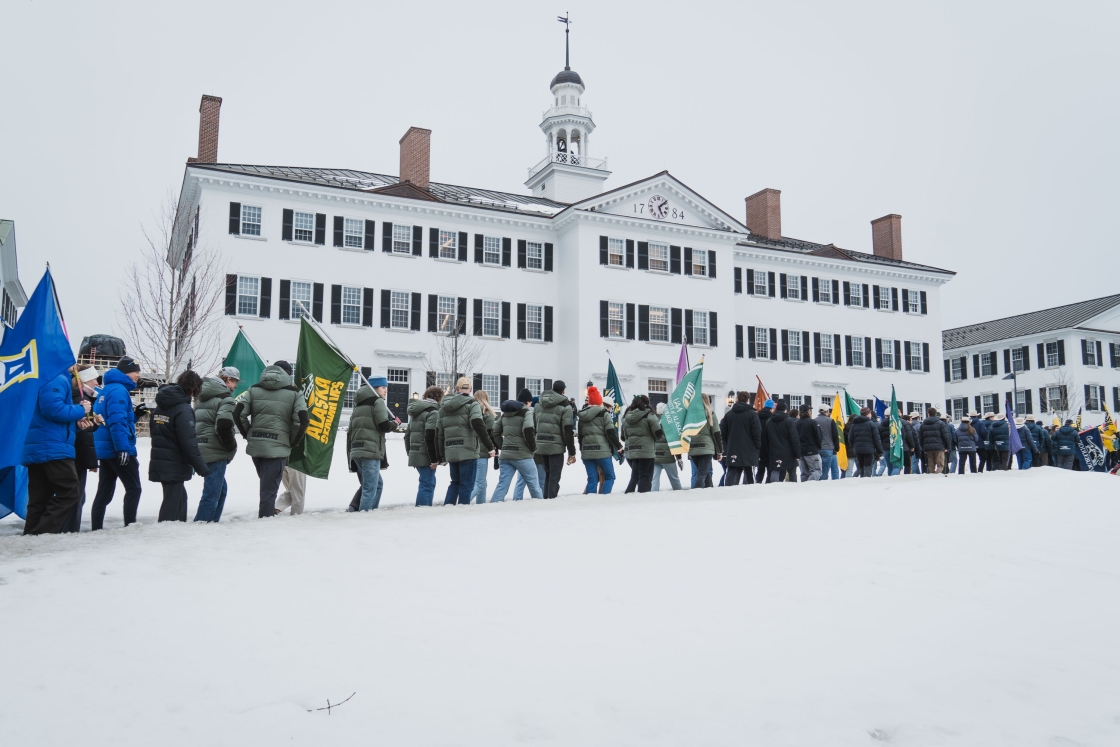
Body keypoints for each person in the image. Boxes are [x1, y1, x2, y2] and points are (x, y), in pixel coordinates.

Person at [21, 368, 92, 535]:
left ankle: (31, 538)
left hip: (40, 444)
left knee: (39, 498)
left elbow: (46, 416)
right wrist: (81, 410)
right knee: (69, 491)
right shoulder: (55, 377)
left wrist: (76, 423)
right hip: (52, 447)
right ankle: (42, 533)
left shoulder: (43, 375)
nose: (75, 365)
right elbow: (53, 409)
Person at [234, 360, 309, 518]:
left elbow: (238, 413)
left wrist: (248, 434)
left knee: (266, 486)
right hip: (278, 448)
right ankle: (265, 524)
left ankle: (266, 518)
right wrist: (292, 441)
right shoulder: (295, 393)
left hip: (257, 446)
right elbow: (302, 420)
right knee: (269, 491)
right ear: (288, 374)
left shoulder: (254, 389)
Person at [150, 370, 211, 522]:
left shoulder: (161, 405)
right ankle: (166, 535)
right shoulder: (183, 409)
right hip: (174, 462)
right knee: (172, 503)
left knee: (179, 498)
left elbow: (155, 431)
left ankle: (179, 530)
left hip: (161, 459)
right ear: (193, 388)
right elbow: (188, 441)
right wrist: (202, 468)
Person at [90, 356, 143, 530]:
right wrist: (123, 449)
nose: (138, 376)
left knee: (104, 492)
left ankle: (96, 527)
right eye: (136, 372)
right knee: (134, 488)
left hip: (106, 449)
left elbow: (117, 420)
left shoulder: (106, 390)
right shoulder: (119, 391)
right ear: (127, 373)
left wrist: (135, 415)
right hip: (117, 449)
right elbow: (117, 422)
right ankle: (130, 526)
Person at [439, 377, 497, 505]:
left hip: (451, 449)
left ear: (457, 389)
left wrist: (441, 455)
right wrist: (490, 447)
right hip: (467, 450)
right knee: (466, 485)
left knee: (455, 483)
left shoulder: (444, 407)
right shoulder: (472, 404)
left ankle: (447, 510)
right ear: (470, 389)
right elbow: (478, 425)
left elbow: (440, 432)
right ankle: (462, 512)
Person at [193, 367, 240, 522]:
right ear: (228, 380)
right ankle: (202, 524)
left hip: (201, 447)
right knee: (211, 492)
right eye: (235, 382)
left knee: (221, 489)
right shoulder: (226, 399)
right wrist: (231, 446)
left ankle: (212, 522)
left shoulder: (200, 397)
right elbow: (223, 425)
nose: (235, 387)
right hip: (215, 450)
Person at [346, 376, 398, 511]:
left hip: (356, 450)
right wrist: (395, 423)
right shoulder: (378, 401)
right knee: (370, 487)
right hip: (370, 450)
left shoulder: (359, 404)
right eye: (383, 387)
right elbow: (383, 426)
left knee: (376, 484)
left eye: (386, 387)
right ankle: (364, 517)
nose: (386, 390)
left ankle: (360, 510)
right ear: (375, 388)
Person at [64, 365, 102, 533]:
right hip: (76, 456)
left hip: (74, 454)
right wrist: (91, 462)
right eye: (94, 379)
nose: (97, 383)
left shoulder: (82, 398)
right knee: (75, 496)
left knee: (78, 496)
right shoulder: (80, 399)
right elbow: (83, 435)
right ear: (85, 380)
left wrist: (94, 423)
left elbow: (84, 428)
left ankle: (70, 530)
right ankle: (70, 531)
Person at [490, 388, 541, 501]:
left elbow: (494, 431)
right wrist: (533, 449)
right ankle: (540, 509)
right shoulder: (526, 413)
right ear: (528, 402)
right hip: (523, 455)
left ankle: (492, 509)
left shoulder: (505, 414)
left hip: (506, 456)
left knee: (502, 485)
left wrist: (502, 446)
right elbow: (528, 430)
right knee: (534, 486)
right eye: (530, 402)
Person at [530, 381, 577, 499]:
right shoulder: (565, 406)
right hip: (556, 445)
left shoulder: (538, 404)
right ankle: (551, 500)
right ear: (563, 391)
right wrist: (572, 451)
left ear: (552, 388)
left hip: (541, 443)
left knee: (548, 474)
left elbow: (534, 426)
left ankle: (546, 499)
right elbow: (567, 430)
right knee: (554, 476)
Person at [578, 386, 621, 494]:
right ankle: (603, 498)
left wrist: (582, 450)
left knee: (592, 479)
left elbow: (580, 437)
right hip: (602, 452)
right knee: (610, 477)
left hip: (587, 452)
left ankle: (590, 501)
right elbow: (611, 433)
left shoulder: (582, 415)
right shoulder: (604, 414)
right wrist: (619, 447)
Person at [406, 385, 444, 506]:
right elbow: (430, 436)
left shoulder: (415, 412)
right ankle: (422, 510)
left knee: (429, 482)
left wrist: (410, 453)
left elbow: (407, 435)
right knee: (427, 484)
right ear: (439, 398)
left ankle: (423, 508)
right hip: (426, 454)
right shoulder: (433, 412)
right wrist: (434, 459)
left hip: (415, 451)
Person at [620, 394, 664, 493]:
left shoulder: (626, 416)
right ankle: (643, 499)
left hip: (631, 453)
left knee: (635, 476)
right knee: (645, 477)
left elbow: (622, 437)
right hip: (646, 452)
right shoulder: (649, 415)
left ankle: (629, 494)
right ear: (647, 403)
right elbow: (658, 433)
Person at [721, 391, 762, 485]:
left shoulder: (729, 414)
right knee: (748, 470)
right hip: (749, 447)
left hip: (733, 446)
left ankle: (728, 490)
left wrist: (729, 441)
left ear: (737, 399)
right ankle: (748, 491)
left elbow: (723, 431)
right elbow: (756, 432)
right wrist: (757, 445)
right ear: (748, 400)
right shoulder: (752, 414)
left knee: (732, 470)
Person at [684, 394, 721, 489]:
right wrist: (720, 451)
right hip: (706, 447)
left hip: (693, 448)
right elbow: (716, 433)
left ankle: (710, 491)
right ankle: (697, 494)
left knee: (704, 472)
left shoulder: (689, 415)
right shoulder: (710, 414)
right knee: (702, 474)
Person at [763, 400, 800, 482]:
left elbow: (766, 439)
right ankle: (793, 490)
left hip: (774, 451)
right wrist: (797, 453)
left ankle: (774, 489)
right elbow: (794, 438)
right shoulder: (789, 421)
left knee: (775, 471)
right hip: (788, 452)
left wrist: (768, 451)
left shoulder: (769, 422)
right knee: (792, 471)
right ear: (785, 410)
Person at [470, 389, 497, 503]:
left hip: (471, 449)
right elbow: (491, 433)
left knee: (482, 482)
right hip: (482, 451)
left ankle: (481, 506)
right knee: (480, 483)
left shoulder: (470, 411)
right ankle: (462, 502)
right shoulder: (487, 412)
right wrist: (493, 448)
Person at [652, 402, 683, 490]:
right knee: (674, 478)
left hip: (655, 454)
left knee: (654, 479)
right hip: (668, 455)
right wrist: (679, 457)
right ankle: (679, 495)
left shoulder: (652, 421)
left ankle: (653, 497)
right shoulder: (670, 422)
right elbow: (674, 440)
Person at [845, 407, 883, 478]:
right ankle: (866, 482)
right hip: (869, 449)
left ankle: (862, 481)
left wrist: (855, 446)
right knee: (867, 467)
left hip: (857, 450)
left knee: (861, 467)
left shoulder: (854, 424)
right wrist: (879, 451)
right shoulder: (871, 424)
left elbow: (850, 438)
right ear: (868, 414)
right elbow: (877, 439)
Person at [920, 407, 951, 474]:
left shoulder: (923, 424)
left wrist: (923, 447)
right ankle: (936, 476)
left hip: (928, 447)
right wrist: (947, 447)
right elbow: (946, 436)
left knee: (931, 465)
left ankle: (932, 476)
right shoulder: (940, 423)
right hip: (939, 446)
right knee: (941, 465)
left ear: (928, 414)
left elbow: (920, 437)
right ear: (936, 414)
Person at [795, 404, 823, 481]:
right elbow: (819, 437)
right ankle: (809, 486)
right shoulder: (813, 422)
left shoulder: (796, 423)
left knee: (804, 473)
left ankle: (804, 488)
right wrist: (818, 447)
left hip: (801, 450)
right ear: (808, 411)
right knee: (816, 470)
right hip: (812, 450)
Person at [814, 406, 841, 480]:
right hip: (829, 448)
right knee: (828, 470)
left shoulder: (814, 420)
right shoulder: (831, 421)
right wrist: (837, 447)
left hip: (817, 448)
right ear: (826, 411)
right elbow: (835, 435)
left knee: (819, 470)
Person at [755, 399, 774, 483]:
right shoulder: (772, 418)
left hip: (759, 444)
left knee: (760, 467)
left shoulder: (757, 416)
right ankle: (768, 483)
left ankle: (758, 482)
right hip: (769, 444)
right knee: (769, 467)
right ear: (771, 408)